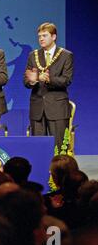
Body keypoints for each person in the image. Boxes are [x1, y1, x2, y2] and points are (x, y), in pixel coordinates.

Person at [24, 22, 73, 150]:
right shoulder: (33, 55)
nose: (41, 39)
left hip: (57, 108)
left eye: (44, 35)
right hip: (37, 107)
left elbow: (66, 80)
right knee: (38, 148)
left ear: (54, 37)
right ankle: (41, 170)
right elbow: (26, 82)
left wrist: (48, 79)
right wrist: (33, 80)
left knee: (60, 147)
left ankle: (60, 171)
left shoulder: (65, 55)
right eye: (39, 36)